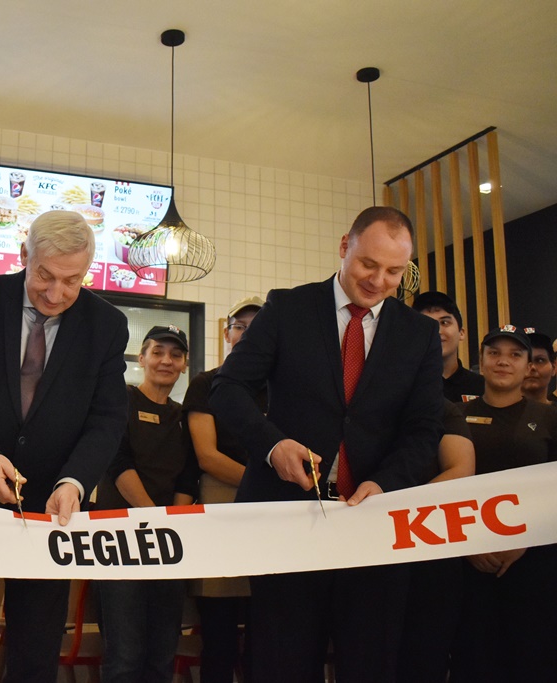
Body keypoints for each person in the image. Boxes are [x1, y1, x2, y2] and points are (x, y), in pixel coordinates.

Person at [210, 206, 443, 682]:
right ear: (344, 247)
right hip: (287, 518)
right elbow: (227, 389)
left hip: (373, 525)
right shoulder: (288, 308)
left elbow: (423, 429)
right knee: (282, 663)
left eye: (394, 272)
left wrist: (387, 481)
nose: (378, 281)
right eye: (368, 264)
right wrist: (273, 446)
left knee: (369, 663)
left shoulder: (418, 333)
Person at [0, 210, 129, 683]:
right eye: (45, 276)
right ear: (23, 256)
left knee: (37, 650)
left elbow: (107, 419)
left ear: (88, 270)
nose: (56, 294)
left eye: (72, 281)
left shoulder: (107, 325)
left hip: (52, 506)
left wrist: (75, 481)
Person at [450, 326, 557, 681]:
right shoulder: (454, 416)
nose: (503, 361)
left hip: (535, 563)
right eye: (494, 353)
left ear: (528, 366)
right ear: (481, 362)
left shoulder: (550, 418)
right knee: (475, 659)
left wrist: (526, 538)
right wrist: (467, 545)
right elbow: (442, 487)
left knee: (533, 659)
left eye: (515, 355)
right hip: (467, 564)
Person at [94, 324, 198, 683]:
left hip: (167, 548)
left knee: (162, 655)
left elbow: (188, 477)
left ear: (184, 364)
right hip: (119, 542)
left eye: (176, 355)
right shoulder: (119, 401)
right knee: (124, 656)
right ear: (141, 358)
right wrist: (156, 518)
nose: (166, 361)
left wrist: (173, 525)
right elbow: (117, 463)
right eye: (158, 352)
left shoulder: (183, 416)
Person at [182, 295, 265, 683]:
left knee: (265, 639)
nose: (246, 334)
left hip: (272, 515)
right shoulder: (206, 383)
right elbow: (207, 456)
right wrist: (260, 482)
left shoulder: (282, 385)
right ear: (227, 333)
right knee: (219, 637)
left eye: (256, 328)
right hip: (221, 505)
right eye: (239, 327)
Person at [395, 399, 475, 681]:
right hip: (368, 553)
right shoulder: (358, 408)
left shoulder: (442, 409)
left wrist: (396, 510)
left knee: (425, 656)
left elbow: (461, 470)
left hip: (429, 550)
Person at [412, 291, 484, 403]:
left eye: (444, 322)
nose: (437, 331)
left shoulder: (484, 388)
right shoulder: (402, 385)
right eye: (426, 324)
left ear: (461, 333)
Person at [522, 328, 556, 405]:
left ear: (553, 367)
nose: (532, 367)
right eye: (525, 361)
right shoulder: (498, 412)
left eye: (540, 360)